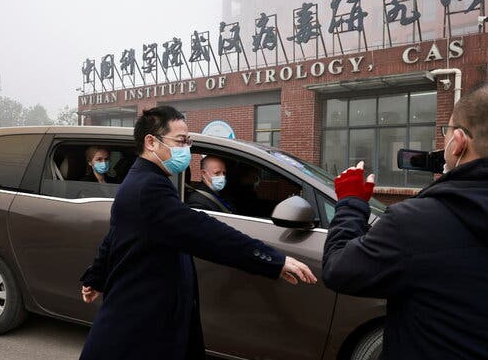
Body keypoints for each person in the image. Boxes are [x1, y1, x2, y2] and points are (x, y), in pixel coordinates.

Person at [79, 106, 317, 360]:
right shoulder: (148, 187)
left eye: (188, 141)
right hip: (143, 316)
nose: (186, 149)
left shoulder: (145, 180)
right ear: (151, 142)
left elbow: (115, 234)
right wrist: (274, 260)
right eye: (181, 141)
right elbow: (204, 233)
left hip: (149, 309)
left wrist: (96, 277)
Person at [322, 79, 488, 360]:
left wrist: (351, 204)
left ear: (459, 141)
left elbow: (339, 269)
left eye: (446, 133)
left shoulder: (417, 223)